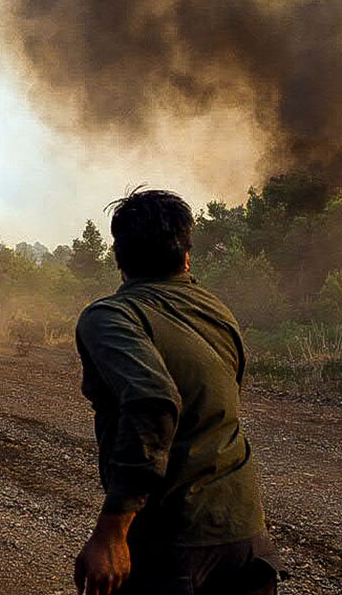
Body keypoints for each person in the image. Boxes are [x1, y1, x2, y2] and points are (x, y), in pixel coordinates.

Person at [73, 189, 281, 595]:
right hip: (246, 538)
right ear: (187, 255)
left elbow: (153, 401)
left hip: (174, 546)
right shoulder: (215, 309)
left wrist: (112, 530)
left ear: (119, 258)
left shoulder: (111, 316)